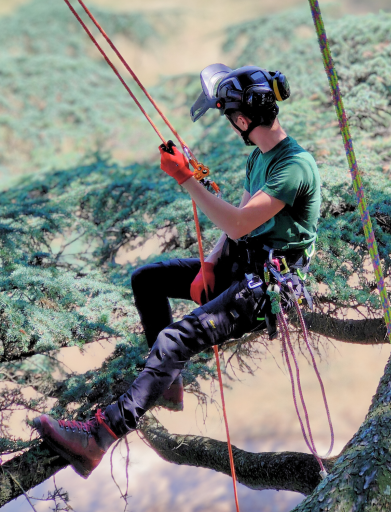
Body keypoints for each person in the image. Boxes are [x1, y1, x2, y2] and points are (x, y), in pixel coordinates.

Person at [33, 64, 321, 479]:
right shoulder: (259, 158)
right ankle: (167, 383)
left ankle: (98, 439)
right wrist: (210, 263)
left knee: (175, 338)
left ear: (242, 119)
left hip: (265, 289)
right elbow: (236, 225)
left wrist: (187, 179)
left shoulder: (294, 166)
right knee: (147, 279)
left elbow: (239, 222)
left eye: (230, 116)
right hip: (241, 265)